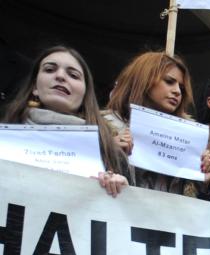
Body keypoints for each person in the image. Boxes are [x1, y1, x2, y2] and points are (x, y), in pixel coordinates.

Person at [1, 45, 128, 197]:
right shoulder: (5, 136)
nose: (60, 76)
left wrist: (122, 192)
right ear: (35, 86)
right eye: (49, 70)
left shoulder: (109, 150)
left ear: (85, 93)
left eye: (73, 75)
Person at [102, 50, 210, 195]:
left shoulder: (189, 141)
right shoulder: (103, 129)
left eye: (181, 87)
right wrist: (107, 153)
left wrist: (200, 181)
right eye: (169, 81)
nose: (177, 92)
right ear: (144, 79)